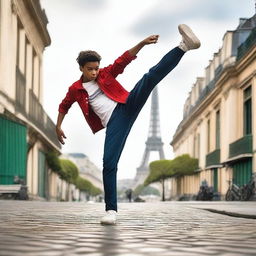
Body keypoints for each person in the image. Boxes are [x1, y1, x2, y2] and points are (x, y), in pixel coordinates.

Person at [56, 24, 201, 225]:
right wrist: (58, 126)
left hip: (126, 104)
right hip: (115, 122)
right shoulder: (75, 89)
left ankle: (183, 47)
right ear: (81, 68)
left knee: (149, 78)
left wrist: (141, 43)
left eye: (97, 68)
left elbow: (123, 60)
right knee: (109, 163)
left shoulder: (105, 74)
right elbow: (64, 105)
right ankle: (111, 211)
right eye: (90, 69)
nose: (94, 72)